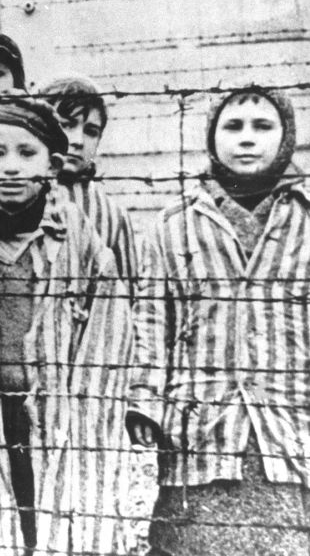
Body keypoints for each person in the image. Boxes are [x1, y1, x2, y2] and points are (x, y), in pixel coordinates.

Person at [0, 96, 132, 556]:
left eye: (26, 153)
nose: (11, 167)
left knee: (59, 524)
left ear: (52, 165)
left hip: (61, 421)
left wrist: (85, 426)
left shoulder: (80, 243)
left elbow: (107, 341)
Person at [129, 85, 310, 554]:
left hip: (289, 433)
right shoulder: (175, 225)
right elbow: (151, 317)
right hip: (198, 434)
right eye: (233, 126)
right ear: (212, 138)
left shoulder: (306, 224)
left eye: (262, 126)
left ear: (286, 138)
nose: (246, 139)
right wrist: (146, 398)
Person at [41, 75, 137, 282]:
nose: (77, 141)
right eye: (66, 125)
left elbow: (126, 297)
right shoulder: (12, 192)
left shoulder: (112, 215)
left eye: (91, 132)